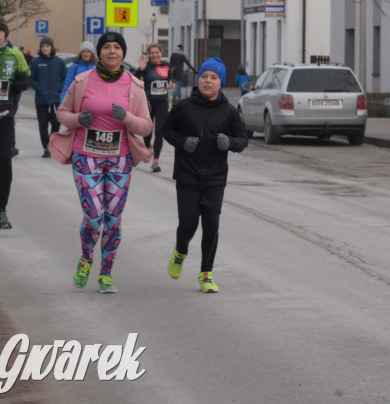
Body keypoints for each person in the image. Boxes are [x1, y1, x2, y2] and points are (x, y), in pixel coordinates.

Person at [51, 31, 153, 293]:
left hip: (120, 159)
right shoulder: (82, 80)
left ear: (123, 52)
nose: (112, 52)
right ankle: (86, 258)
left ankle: (106, 273)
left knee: (113, 219)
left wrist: (127, 117)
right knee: (94, 216)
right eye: (107, 47)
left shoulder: (134, 85)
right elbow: (62, 113)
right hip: (87, 157)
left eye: (117, 47)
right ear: (99, 52)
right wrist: (78, 120)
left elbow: (146, 126)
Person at [162, 57, 248, 293]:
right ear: (198, 80)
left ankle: (206, 273)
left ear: (221, 83)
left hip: (214, 179)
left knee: (211, 225)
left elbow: (243, 139)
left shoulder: (229, 112)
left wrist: (230, 142)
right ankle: (180, 251)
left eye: (213, 77)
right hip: (187, 176)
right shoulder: (183, 107)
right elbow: (167, 130)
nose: (208, 81)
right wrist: (182, 141)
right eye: (204, 76)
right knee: (188, 223)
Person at [0, 16, 32, 230]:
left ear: (5, 33)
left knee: (5, 160)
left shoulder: (15, 55)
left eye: (0, 30)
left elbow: (27, 77)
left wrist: (20, 84)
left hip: (4, 117)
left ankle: (2, 211)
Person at [134, 43, 174, 173]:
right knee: (147, 130)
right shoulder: (146, 66)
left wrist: (171, 83)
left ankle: (156, 161)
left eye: (157, 52)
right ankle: (147, 145)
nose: (155, 55)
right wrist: (140, 69)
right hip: (148, 103)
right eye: (152, 53)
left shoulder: (166, 66)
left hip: (162, 103)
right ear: (149, 55)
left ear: (161, 53)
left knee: (159, 131)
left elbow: (169, 79)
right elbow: (134, 78)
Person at [30, 36, 67, 158]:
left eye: (47, 46)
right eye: (43, 46)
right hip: (41, 100)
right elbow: (31, 79)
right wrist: (39, 88)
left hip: (54, 100)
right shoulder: (36, 62)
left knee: (56, 123)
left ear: (51, 47)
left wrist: (59, 88)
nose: (45, 48)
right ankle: (46, 148)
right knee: (43, 125)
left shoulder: (59, 62)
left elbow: (65, 78)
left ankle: (52, 143)